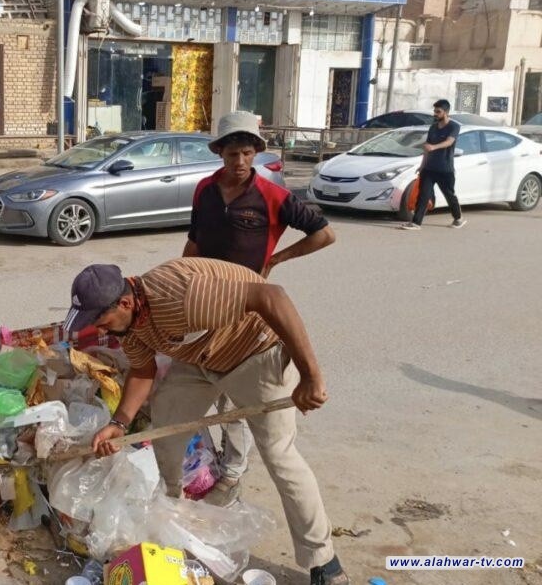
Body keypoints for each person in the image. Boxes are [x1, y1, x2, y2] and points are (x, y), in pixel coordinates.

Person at [68, 260, 349, 585]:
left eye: (99, 319)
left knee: (280, 456)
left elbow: (272, 296)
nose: (98, 329)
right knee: (166, 430)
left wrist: (311, 376)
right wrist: (119, 422)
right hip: (200, 359)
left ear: (126, 302)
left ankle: (324, 562)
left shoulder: (179, 297)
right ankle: (172, 517)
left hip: (255, 352)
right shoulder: (129, 324)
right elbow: (142, 371)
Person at [183, 111, 336, 506]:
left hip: (248, 313)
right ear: (219, 152)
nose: (240, 162)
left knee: (235, 397)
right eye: (232, 153)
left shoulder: (274, 196)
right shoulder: (204, 190)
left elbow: (325, 234)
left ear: (256, 153)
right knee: (205, 390)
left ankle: (232, 473)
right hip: (205, 305)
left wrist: (278, 258)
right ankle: (211, 462)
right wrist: (182, 278)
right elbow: (195, 242)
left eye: (247, 153)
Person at [400, 99, 466, 230]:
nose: (435, 114)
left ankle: (458, 218)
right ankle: (416, 223)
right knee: (423, 195)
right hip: (429, 168)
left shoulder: (454, 126)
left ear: (446, 112)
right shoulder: (433, 127)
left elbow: (449, 142)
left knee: (449, 195)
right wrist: (422, 165)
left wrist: (434, 147)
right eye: (434, 111)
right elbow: (426, 148)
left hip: (445, 169)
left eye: (438, 111)